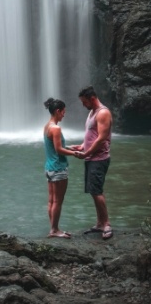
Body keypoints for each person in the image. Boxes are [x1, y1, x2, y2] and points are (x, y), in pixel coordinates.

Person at [71, 86, 113, 240]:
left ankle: (107, 224)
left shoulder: (103, 113)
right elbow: (91, 134)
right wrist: (83, 145)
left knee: (97, 191)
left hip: (99, 158)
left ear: (92, 98)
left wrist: (87, 152)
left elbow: (101, 138)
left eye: (84, 102)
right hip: (91, 158)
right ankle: (100, 223)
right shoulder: (92, 112)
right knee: (93, 192)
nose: (83, 105)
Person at [43, 97, 80, 239]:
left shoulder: (47, 126)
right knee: (58, 201)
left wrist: (71, 147)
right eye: (64, 112)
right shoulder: (56, 128)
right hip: (58, 168)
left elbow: (55, 146)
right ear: (58, 111)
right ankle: (55, 230)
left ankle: (53, 228)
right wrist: (75, 154)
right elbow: (59, 150)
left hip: (49, 168)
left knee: (51, 200)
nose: (64, 115)